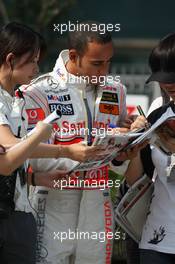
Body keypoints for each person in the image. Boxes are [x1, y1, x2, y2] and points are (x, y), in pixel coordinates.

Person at [20, 20, 145, 264]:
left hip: (97, 201)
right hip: (52, 198)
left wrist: (126, 140)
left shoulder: (116, 90)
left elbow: (118, 158)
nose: (105, 71)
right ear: (75, 56)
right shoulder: (39, 91)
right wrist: (70, 153)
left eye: (109, 62)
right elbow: (25, 153)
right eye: (97, 63)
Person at [0, 21, 100, 264]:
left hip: (19, 212)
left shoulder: (13, 98)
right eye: (32, 60)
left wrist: (34, 178)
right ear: (11, 58)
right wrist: (51, 140)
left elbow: (15, 154)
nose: (37, 67)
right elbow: (9, 153)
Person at [124, 32, 175, 264]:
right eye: (161, 77)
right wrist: (133, 148)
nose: (167, 84)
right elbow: (138, 180)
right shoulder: (157, 117)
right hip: (157, 240)